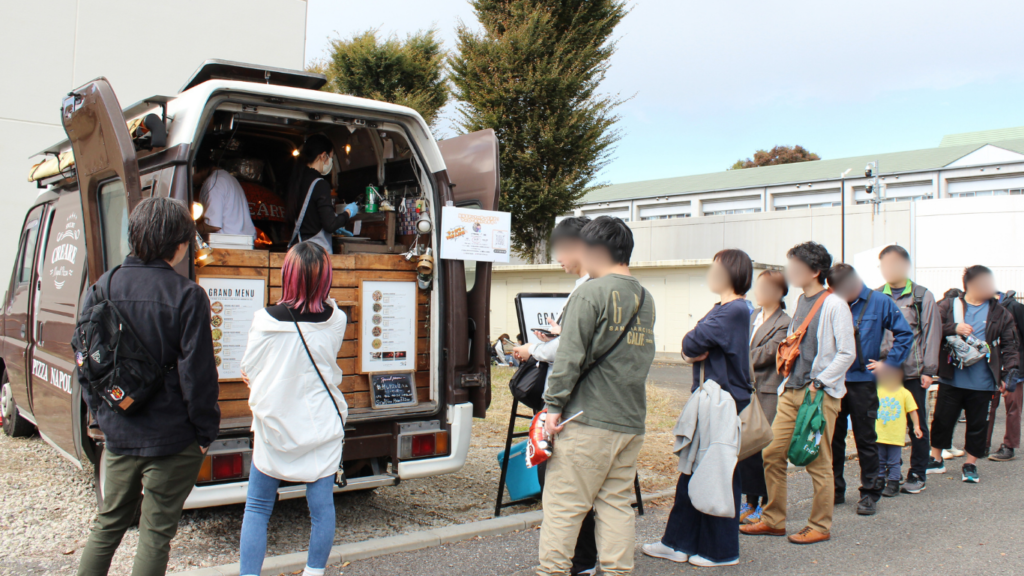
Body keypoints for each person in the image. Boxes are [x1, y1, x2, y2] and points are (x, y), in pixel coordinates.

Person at [77, 198, 220, 576]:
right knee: (155, 536)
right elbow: (198, 375)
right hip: (173, 436)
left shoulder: (102, 287)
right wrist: (205, 431)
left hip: (120, 431)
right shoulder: (188, 295)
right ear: (179, 243)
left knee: (108, 524)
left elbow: (86, 363)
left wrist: (103, 415)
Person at [537, 216, 656, 576]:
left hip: (586, 419)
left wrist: (553, 407)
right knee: (616, 506)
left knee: (564, 507)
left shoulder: (590, 292)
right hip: (629, 420)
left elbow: (568, 356)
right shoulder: (645, 297)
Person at [238, 242, 348, 576]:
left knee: (258, 508)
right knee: (321, 509)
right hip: (321, 424)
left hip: (275, 424)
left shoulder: (264, 320)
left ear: (288, 275)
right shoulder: (337, 320)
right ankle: (314, 572)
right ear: (325, 277)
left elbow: (248, 369)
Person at [642, 249, 753, 567]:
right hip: (711, 400)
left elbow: (692, 342)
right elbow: (691, 346)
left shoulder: (735, 310)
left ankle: (721, 551)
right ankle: (678, 543)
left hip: (723, 402)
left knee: (718, 474)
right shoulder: (723, 308)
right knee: (694, 471)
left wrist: (693, 348)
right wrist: (692, 348)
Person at [742, 241, 855, 545]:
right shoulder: (800, 302)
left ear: (815, 271)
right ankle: (773, 519)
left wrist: (819, 382)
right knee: (771, 452)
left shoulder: (835, 304)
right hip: (791, 391)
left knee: (818, 460)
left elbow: (847, 353)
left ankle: (819, 525)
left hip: (818, 395)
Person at [512, 216, 598, 576]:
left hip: (569, 406)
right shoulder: (591, 287)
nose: (557, 255)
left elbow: (570, 349)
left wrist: (533, 349)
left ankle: (579, 561)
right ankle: (584, 559)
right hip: (578, 404)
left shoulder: (588, 289)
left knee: (563, 487)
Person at [825, 263, 913, 516]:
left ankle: (870, 493)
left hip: (863, 382)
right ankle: (835, 490)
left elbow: (905, 334)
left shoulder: (880, 302)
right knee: (833, 439)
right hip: (834, 381)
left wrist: (889, 363)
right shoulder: (831, 302)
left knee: (865, 439)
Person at [929, 266, 1019, 483]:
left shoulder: (999, 312)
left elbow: (1010, 345)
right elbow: (931, 328)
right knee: (942, 420)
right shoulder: (949, 305)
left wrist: (1008, 375)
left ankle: (970, 464)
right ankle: (936, 459)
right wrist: (954, 328)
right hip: (952, 376)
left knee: (978, 425)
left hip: (984, 380)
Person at [877, 244, 942, 494]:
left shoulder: (921, 296)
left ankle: (917, 473)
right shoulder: (876, 296)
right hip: (883, 372)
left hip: (913, 371)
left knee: (916, 422)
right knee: (884, 420)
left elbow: (932, 334)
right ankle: (887, 470)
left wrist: (928, 370)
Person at [739, 270, 791, 524]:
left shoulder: (785, 322)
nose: (758, 292)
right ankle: (749, 502)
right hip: (746, 389)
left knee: (765, 449)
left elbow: (769, 353)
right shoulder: (751, 317)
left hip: (768, 390)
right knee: (747, 447)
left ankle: (766, 503)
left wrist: (736, 358)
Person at [286, 134, 359, 254]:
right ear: (323, 156)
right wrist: (348, 213)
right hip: (315, 254)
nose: (331, 162)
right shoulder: (320, 184)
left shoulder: (297, 181)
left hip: (298, 252)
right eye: (331, 157)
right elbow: (330, 225)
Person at [875, 370, 923, 496]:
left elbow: (913, 410)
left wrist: (916, 426)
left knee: (893, 461)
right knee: (879, 459)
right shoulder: (878, 390)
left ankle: (893, 483)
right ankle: (879, 480)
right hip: (880, 433)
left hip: (895, 435)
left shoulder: (904, 393)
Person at [991, 289, 1024, 461]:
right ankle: (982, 444)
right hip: (991, 367)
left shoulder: (1015, 307)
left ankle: (1009, 446)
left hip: (1014, 368)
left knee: (1012, 408)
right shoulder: (984, 308)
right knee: (988, 407)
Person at [194, 155, 257, 239]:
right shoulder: (229, 178)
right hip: (243, 241)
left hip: (227, 243)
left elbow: (213, 225)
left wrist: (192, 231)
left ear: (196, 169)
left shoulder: (214, 182)